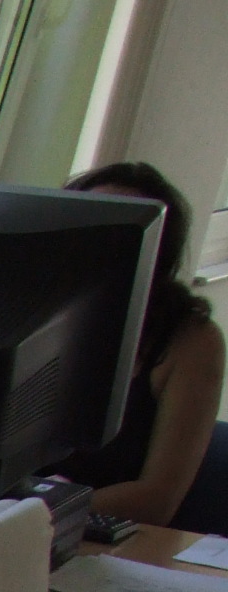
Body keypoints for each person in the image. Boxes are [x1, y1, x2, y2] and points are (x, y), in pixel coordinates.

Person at [58, 161, 228, 531]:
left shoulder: (190, 340)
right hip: (11, 525)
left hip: (110, 539)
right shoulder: (27, 315)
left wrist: (31, 513)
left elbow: (157, 499)